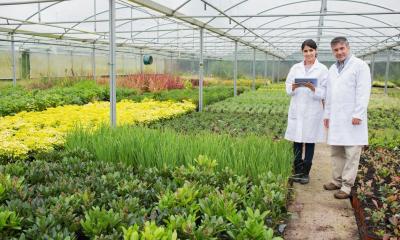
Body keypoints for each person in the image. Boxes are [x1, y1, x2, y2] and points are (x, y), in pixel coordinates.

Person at [323, 37, 371, 199]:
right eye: (336, 50)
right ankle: (336, 181)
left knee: (351, 153)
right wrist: (327, 114)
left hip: (352, 118)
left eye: (342, 48)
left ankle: (346, 186)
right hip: (336, 118)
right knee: (336, 152)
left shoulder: (360, 66)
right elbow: (329, 94)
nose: (339, 52)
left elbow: (363, 91)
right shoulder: (332, 69)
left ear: (348, 48)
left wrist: (358, 113)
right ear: (333, 52)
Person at [284, 39, 328, 184]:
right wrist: (294, 87)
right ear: (302, 52)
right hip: (298, 109)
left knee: (310, 141)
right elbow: (288, 87)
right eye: (305, 51)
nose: (308, 53)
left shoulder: (322, 69)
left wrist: (313, 88)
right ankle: (297, 171)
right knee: (296, 141)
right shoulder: (295, 68)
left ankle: (305, 173)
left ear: (316, 51)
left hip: (313, 111)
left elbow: (325, 92)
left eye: (311, 50)